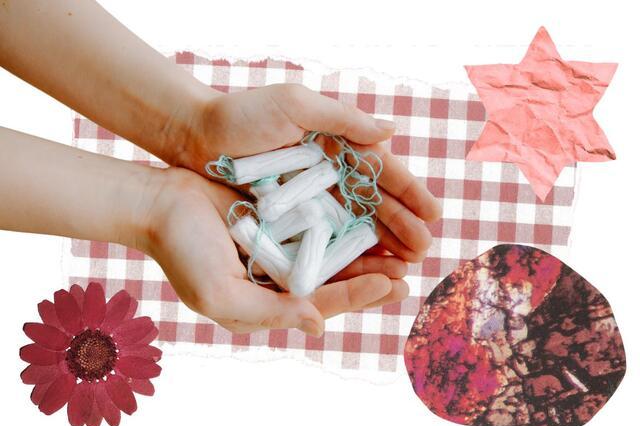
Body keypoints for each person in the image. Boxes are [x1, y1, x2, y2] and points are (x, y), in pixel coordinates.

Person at [0, 1, 441, 337]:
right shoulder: (306, 196)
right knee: (303, 259)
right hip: (287, 206)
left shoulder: (312, 192)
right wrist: (153, 201)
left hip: (289, 202)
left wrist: (190, 126)